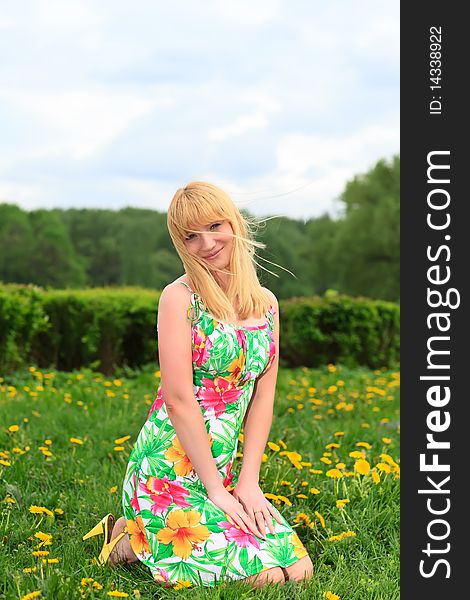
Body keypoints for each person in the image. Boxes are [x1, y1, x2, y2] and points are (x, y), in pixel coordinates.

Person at [82, 182, 314, 588]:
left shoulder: (267, 303)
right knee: (266, 579)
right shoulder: (179, 298)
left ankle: (131, 535)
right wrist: (215, 491)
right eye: (191, 235)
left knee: (299, 571)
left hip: (222, 473)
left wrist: (248, 483)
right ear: (180, 243)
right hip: (168, 470)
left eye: (214, 226)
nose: (206, 243)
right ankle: (128, 539)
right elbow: (177, 399)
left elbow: (263, 397)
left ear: (234, 222)